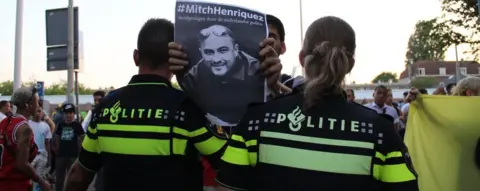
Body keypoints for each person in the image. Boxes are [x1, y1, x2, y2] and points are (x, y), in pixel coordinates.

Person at [215, 16, 418, 191]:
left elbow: (227, 186)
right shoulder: (380, 132)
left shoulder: (256, 122)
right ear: (350, 65)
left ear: (302, 59)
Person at [182, 24, 265, 126]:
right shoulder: (193, 76)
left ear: (235, 50)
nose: (216, 59)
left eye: (223, 50)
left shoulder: (257, 70)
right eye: (209, 52)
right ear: (201, 53)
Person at [0, 87, 51, 191]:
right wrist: (41, 181)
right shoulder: (24, 128)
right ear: (28, 105)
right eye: (36, 102)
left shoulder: (5, 122)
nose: (38, 106)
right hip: (15, 184)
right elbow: (21, 163)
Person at [53, 103, 84, 191]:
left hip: (73, 155)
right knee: (59, 178)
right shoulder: (61, 124)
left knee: (73, 178)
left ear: (74, 114)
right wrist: (57, 147)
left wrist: (82, 150)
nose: (68, 115)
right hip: (61, 154)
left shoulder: (77, 125)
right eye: (66, 113)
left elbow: (82, 138)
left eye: (71, 113)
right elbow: (57, 136)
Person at [29, 107, 53, 188]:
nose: (38, 113)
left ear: (42, 113)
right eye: (36, 111)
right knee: (28, 177)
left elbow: (47, 142)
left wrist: (49, 156)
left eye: (39, 111)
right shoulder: (27, 124)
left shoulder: (45, 126)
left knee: (39, 179)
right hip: (30, 155)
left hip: (42, 155)